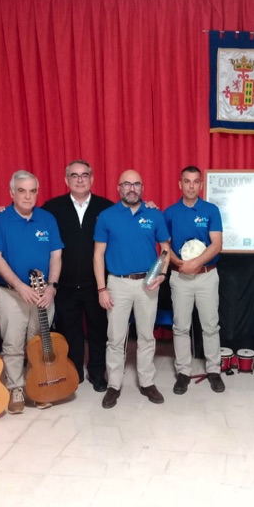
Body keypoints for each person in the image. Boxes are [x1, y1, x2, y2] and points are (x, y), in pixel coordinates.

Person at [93, 170, 170, 409]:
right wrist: (102, 289)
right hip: (117, 283)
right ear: (119, 188)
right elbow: (98, 255)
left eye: (136, 184)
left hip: (147, 282)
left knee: (146, 336)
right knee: (115, 338)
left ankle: (147, 382)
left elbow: (165, 249)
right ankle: (114, 384)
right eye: (127, 184)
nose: (132, 188)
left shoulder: (154, 215)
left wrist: (162, 273)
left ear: (142, 187)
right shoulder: (106, 216)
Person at [0, 171, 64, 413]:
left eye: (32, 191)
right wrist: (20, 286)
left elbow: (56, 255)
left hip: (43, 294)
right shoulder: (0, 220)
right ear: (12, 193)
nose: (27, 196)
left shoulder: (47, 219)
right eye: (21, 191)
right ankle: (15, 388)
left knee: (38, 344)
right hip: (11, 294)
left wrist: (52, 286)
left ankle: (37, 386)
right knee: (12, 344)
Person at [41, 160, 113, 393]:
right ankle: (74, 372)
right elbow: (28, 217)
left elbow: (128, 215)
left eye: (84, 175)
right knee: (69, 332)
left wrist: (148, 205)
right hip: (65, 285)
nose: (80, 180)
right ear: (66, 180)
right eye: (74, 175)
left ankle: (97, 373)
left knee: (98, 332)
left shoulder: (106, 208)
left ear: (92, 179)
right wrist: (2, 210)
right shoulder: (52, 208)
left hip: (97, 285)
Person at [164, 166, 224, 394]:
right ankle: (183, 372)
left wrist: (195, 263)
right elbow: (164, 246)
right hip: (180, 276)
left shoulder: (211, 210)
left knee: (210, 325)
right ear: (180, 184)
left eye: (195, 181)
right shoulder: (170, 213)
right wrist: (180, 264)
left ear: (201, 185)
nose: (191, 186)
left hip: (207, 275)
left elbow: (217, 244)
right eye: (187, 181)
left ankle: (214, 370)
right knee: (180, 326)